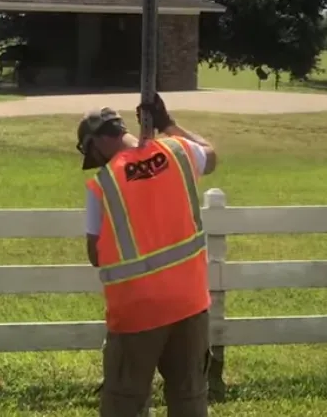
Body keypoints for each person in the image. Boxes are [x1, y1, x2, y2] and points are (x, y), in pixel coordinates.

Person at [77, 93, 218, 417]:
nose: (94, 161)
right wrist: (169, 125)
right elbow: (211, 156)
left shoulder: (104, 183)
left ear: (97, 141)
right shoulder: (178, 152)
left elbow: (95, 254)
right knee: (189, 398)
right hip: (190, 304)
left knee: (123, 401)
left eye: (91, 152)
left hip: (136, 313)